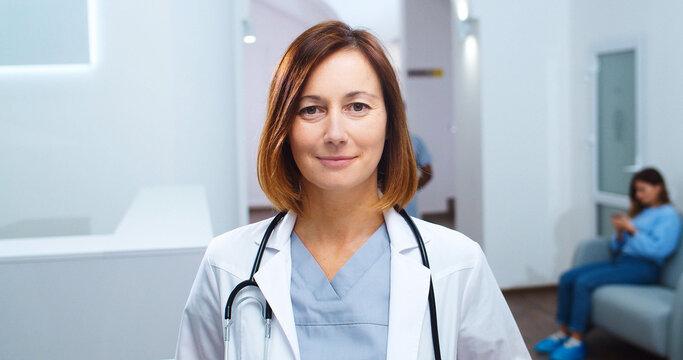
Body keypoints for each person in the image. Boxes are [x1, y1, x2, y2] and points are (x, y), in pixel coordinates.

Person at [175, 21, 529, 359]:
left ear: (390, 122)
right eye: (311, 110)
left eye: (357, 107)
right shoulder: (226, 266)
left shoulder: (458, 266)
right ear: (284, 128)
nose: (335, 133)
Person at [535, 168, 682, 360]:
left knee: (584, 283)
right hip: (623, 261)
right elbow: (616, 247)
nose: (638, 195)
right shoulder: (642, 213)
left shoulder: (668, 216)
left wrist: (632, 230)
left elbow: (659, 250)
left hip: (645, 268)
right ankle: (563, 332)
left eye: (643, 190)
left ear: (658, 188)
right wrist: (620, 233)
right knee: (567, 277)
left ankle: (577, 340)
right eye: (636, 191)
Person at [404, 134, 433, 218]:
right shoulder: (414, 140)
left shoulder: (374, 141)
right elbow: (427, 173)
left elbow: (427, 173)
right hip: (407, 209)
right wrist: (410, 190)